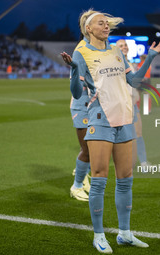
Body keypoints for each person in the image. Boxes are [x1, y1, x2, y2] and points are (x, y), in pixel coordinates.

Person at [61, 9, 160, 254]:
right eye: (101, 23)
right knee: (98, 180)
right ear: (89, 28)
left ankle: (125, 234)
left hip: (124, 119)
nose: (106, 26)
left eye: (108, 23)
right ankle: (98, 235)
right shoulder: (81, 51)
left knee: (126, 179)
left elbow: (134, 81)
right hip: (100, 118)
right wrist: (75, 69)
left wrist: (150, 57)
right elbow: (77, 93)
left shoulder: (117, 51)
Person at [116, 40, 152, 170]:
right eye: (121, 46)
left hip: (133, 103)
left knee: (138, 132)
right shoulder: (116, 64)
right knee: (122, 136)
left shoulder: (131, 63)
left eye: (125, 45)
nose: (124, 47)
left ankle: (143, 163)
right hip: (122, 105)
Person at [69, 37, 91, 201]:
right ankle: (77, 185)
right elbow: (77, 87)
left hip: (96, 104)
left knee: (96, 148)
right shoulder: (81, 50)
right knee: (88, 149)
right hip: (82, 105)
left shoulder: (100, 49)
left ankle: (84, 176)